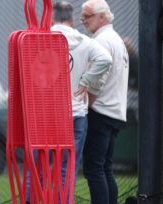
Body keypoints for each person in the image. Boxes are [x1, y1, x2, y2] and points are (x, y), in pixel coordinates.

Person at [51, 1, 112, 189]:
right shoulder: (85, 41)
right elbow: (105, 59)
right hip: (75, 112)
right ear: (72, 19)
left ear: (52, 18)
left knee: (39, 168)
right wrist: (86, 80)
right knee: (67, 169)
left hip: (47, 114)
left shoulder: (42, 38)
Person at [81, 0, 129, 204]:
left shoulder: (101, 41)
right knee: (105, 168)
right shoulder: (116, 39)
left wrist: (87, 103)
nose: (83, 20)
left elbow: (97, 79)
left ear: (102, 16)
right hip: (116, 112)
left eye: (88, 15)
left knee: (94, 169)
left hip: (100, 111)